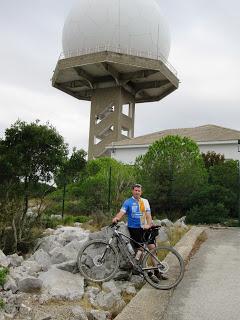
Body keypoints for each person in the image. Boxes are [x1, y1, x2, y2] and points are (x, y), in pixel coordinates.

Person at [112, 183, 167, 281]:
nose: (137, 192)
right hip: (135, 229)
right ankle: (148, 273)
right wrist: (116, 218)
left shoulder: (145, 201)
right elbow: (122, 212)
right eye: (135, 190)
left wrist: (149, 224)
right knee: (140, 250)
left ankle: (157, 272)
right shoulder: (128, 202)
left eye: (139, 190)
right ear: (132, 191)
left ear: (141, 192)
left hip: (146, 228)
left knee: (152, 248)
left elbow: (149, 215)